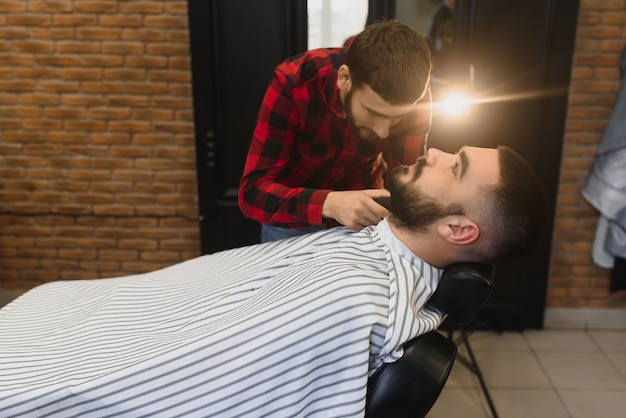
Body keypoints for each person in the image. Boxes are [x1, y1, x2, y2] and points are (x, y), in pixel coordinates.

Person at [0, 146, 548, 417]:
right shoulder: (374, 239)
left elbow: (151, 379)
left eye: (453, 167)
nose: (433, 151)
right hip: (101, 311)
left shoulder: (351, 299)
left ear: (458, 228)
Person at [239, 19, 433, 242]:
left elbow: (408, 179)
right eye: (372, 112)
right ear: (345, 78)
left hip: (365, 218)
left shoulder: (417, 100)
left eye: (396, 118)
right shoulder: (293, 84)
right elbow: (253, 195)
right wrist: (329, 203)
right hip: (291, 222)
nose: (383, 133)